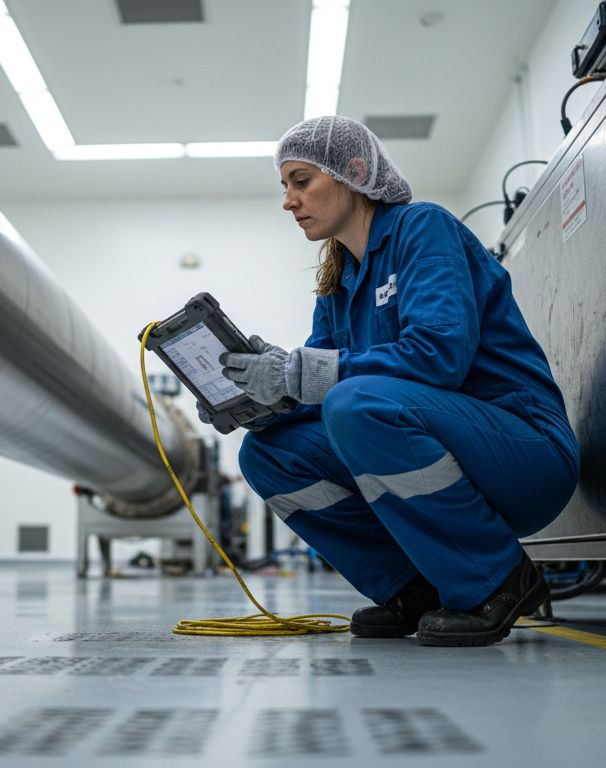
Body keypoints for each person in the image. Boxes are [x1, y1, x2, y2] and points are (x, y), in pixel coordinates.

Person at [211, 116, 579, 647]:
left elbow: (439, 356)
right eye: (285, 186)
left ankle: (496, 578)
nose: (288, 201)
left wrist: (296, 372)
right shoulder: (338, 282)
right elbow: (317, 388)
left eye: (302, 181)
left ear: (354, 173)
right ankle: (414, 585)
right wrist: (261, 400)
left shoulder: (423, 228)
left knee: (355, 402)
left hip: (522, 454)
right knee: (270, 453)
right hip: (443, 447)